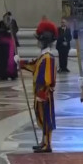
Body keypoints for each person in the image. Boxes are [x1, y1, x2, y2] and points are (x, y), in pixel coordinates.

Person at [17, 20, 58, 153]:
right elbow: (34, 65)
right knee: (42, 118)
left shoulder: (48, 57)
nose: (37, 42)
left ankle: (47, 144)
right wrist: (21, 63)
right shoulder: (43, 56)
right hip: (40, 94)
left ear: (44, 41)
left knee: (47, 119)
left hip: (44, 94)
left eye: (39, 40)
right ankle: (43, 142)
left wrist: (42, 93)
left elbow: (48, 79)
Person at [0, 15, 17, 81]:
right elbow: (0, 31)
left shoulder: (13, 22)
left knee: (12, 59)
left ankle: (12, 74)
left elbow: (16, 29)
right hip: (3, 45)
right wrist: (6, 30)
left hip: (11, 44)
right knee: (2, 60)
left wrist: (12, 31)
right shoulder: (2, 22)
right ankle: (3, 74)